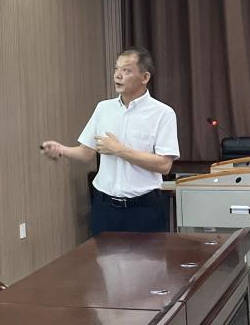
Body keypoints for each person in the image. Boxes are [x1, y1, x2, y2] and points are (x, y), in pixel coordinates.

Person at [41, 47, 178, 235]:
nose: (118, 75)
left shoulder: (163, 113)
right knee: (103, 255)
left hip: (144, 209)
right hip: (105, 208)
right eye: (116, 69)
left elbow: (164, 165)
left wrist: (119, 150)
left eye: (126, 70)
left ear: (145, 77)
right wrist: (61, 149)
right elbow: (86, 152)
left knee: (148, 256)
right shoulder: (103, 109)